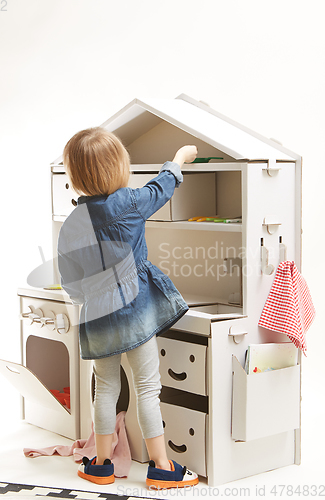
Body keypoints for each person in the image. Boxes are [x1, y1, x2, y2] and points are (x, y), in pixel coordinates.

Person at [58, 127, 199, 489]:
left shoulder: (72, 223)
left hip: (97, 317)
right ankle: (162, 467)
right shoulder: (131, 202)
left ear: (75, 177)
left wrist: (91, 299)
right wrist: (180, 158)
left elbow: (71, 283)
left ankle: (102, 465)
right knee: (147, 389)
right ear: (119, 167)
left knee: (104, 388)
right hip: (135, 312)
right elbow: (163, 185)